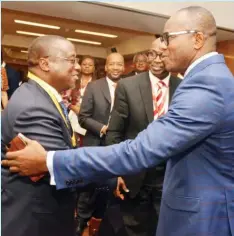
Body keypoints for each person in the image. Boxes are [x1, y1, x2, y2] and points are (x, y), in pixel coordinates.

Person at [3, 6, 234, 236]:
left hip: (204, 220)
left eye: (167, 38)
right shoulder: (206, 79)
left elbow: (142, 150)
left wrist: (51, 161)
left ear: (198, 39)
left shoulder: (206, 84)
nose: (162, 47)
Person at [100, 38, 181, 236]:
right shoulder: (128, 86)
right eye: (152, 54)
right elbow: (115, 132)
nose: (157, 60)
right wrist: (116, 172)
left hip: (172, 178)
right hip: (135, 178)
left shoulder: (184, 86)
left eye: (163, 54)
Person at [1, 35, 80, 236]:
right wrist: (112, 177)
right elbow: (63, 170)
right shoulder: (34, 106)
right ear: (45, 63)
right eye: (72, 60)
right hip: (35, 221)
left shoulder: (38, 95)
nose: (77, 67)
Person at [75, 52, 125, 236]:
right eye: (112, 64)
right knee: (88, 186)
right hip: (95, 143)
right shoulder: (94, 87)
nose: (116, 68)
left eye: (119, 64)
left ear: (124, 67)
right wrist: (103, 128)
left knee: (108, 188)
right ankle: (81, 222)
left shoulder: (129, 87)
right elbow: (83, 117)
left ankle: (99, 223)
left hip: (117, 147)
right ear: (105, 67)